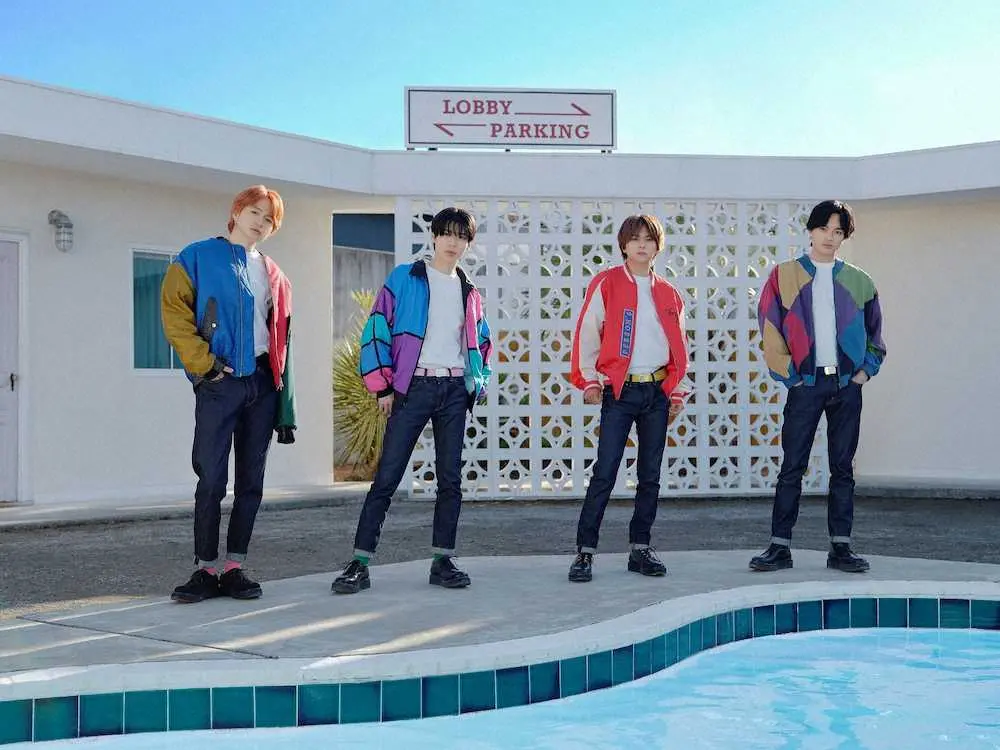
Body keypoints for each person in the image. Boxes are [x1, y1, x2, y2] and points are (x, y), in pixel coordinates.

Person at [332, 207, 493, 594]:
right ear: (434, 237)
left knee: (450, 480)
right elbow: (377, 328)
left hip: (453, 390)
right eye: (447, 234)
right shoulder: (405, 278)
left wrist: (477, 382)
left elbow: (482, 342)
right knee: (387, 478)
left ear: (468, 244)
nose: (454, 242)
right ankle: (359, 563)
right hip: (413, 388)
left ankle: (442, 561)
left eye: (462, 237)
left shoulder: (469, 292)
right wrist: (382, 386)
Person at [161, 185, 296, 603]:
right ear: (236, 212)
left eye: (269, 219)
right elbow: (174, 312)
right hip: (220, 383)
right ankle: (205, 569)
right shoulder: (197, 257)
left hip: (262, 384)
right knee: (211, 478)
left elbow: (283, 340)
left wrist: (285, 403)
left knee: (251, 481)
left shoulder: (275, 274)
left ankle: (235, 567)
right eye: (255, 212)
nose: (260, 222)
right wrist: (205, 366)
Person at [750, 199, 886, 574]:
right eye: (824, 229)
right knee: (792, 466)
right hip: (806, 384)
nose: (830, 237)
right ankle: (779, 547)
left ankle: (841, 548)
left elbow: (876, 334)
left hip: (846, 385)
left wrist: (863, 374)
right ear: (811, 230)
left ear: (844, 236)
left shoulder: (860, 281)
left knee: (842, 469)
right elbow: (769, 327)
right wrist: (790, 376)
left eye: (838, 231)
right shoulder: (784, 276)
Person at [567, 214, 689, 583]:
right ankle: (585, 552)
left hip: (656, 392)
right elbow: (588, 333)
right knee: (605, 471)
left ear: (657, 246)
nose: (641, 245)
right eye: (634, 238)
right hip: (620, 392)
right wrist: (589, 381)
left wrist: (677, 390)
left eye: (648, 239)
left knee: (650, 475)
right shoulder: (607, 283)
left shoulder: (669, 293)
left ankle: (641, 548)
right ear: (623, 244)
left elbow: (680, 345)